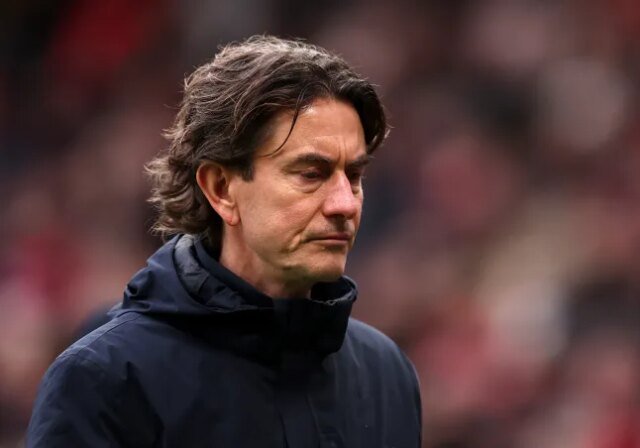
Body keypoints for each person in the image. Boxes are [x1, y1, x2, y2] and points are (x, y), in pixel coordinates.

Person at [27, 35, 422, 447]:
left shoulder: (387, 375)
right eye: (311, 174)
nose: (345, 203)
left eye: (354, 176)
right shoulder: (105, 382)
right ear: (221, 188)